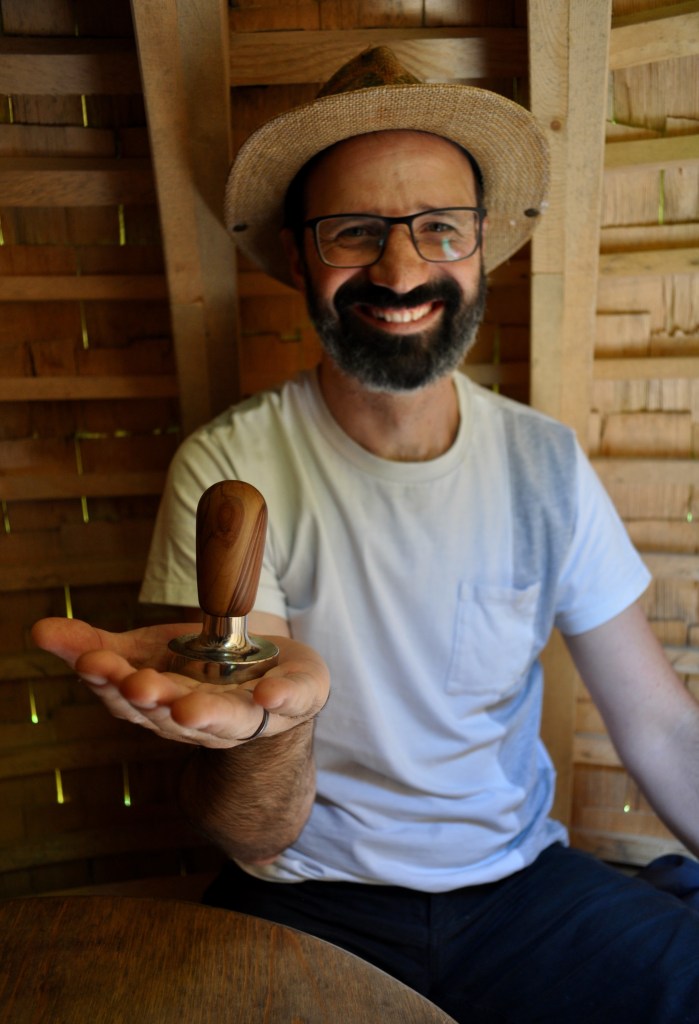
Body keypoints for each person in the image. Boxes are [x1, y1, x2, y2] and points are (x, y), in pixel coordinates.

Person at [33, 47, 699, 1023]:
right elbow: (256, 833)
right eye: (356, 231)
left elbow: (661, 725)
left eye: (440, 228)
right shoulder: (232, 476)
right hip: (307, 898)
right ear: (302, 255)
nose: (401, 267)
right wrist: (272, 726)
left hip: (521, 890)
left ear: (478, 248)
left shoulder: (544, 462)